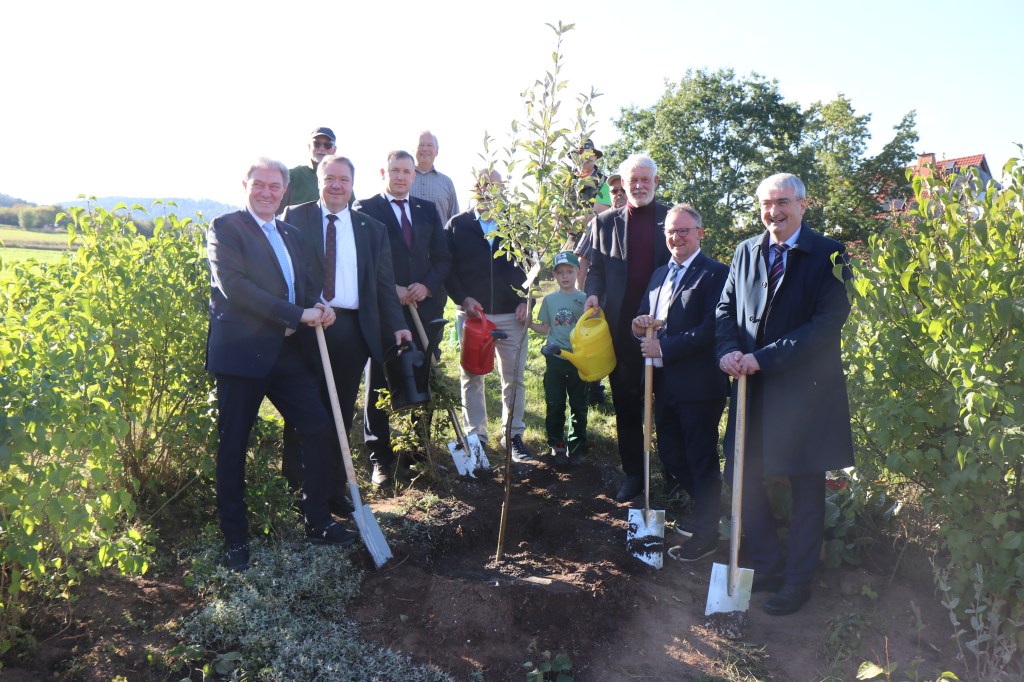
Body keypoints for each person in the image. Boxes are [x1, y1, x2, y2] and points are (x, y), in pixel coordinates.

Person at [205, 157, 356, 572]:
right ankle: (236, 539)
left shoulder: (290, 233)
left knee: (316, 425)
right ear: (245, 184)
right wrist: (296, 315)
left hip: (287, 353)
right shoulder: (226, 228)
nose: (267, 192)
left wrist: (319, 307)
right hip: (241, 354)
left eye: (275, 186)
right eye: (260, 184)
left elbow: (304, 285)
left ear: (285, 190)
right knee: (234, 445)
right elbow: (235, 288)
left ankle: (317, 518)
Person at [716, 172, 854, 616]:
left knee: (805, 485)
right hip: (750, 390)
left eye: (782, 203)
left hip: (804, 395)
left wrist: (765, 358)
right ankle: (770, 568)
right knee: (742, 475)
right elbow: (725, 307)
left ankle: (799, 581)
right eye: (765, 204)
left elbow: (826, 325)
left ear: (802, 205)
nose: (773, 212)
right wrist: (728, 350)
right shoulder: (746, 251)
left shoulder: (830, 254)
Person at [280, 155, 412, 497]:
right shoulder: (295, 218)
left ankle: (336, 487)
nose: (336, 185)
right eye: (329, 178)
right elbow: (288, 271)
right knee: (302, 410)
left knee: (341, 412)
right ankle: (296, 487)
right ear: (319, 181)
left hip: (352, 331)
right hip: (307, 327)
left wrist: (397, 324)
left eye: (344, 180)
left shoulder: (371, 229)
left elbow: (384, 283)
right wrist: (309, 304)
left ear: (353, 185)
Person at [631, 204, 729, 561]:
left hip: (700, 385)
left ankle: (707, 535)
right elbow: (643, 320)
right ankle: (711, 513)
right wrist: (638, 327)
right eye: (671, 231)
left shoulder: (715, 274)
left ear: (700, 233)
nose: (676, 237)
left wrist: (665, 346)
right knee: (672, 456)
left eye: (684, 230)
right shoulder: (660, 274)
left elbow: (711, 329)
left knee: (700, 459)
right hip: (664, 382)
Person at [353, 150, 451, 484]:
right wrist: (390, 288)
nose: (400, 177)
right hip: (383, 309)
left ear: (414, 175)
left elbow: (441, 257)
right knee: (380, 381)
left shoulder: (426, 209)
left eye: (406, 171)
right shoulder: (365, 209)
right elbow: (361, 260)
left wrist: (426, 285)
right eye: (394, 170)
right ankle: (380, 458)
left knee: (423, 377)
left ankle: (417, 452)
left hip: (422, 309)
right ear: (383, 172)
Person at [584, 154, 671, 502]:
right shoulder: (604, 223)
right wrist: (592, 294)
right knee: (625, 401)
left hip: (665, 327)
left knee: (666, 401)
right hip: (621, 328)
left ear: (655, 182)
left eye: (645, 180)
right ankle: (634, 472)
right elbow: (596, 270)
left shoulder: (672, 219)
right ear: (620, 184)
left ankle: (672, 474)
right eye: (632, 180)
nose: (638, 186)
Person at [445, 170, 534, 462]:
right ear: (472, 189)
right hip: (473, 316)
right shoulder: (458, 225)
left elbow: (531, 266)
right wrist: (462, 298)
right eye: (482, 186)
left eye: (494, 187)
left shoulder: (516, 224)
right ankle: (476, 436)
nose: (487, 192)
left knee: (514, 378)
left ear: (502, 190)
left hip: (511, 314)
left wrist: (526, 300)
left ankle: (513, 435)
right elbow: (447, 268)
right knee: (472, 374)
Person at [529, 251, 588, 469]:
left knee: (579, 404)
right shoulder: (550, 300)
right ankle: (557, 443)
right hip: (555, 357)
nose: (565, 276)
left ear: (577, 272)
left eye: (569, 271)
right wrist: (528, 323)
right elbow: (545, 329)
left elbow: (591, 328)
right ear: (554, 275)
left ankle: (577, 446)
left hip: (578, 358)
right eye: (560, 272)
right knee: (555, 403)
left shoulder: (584, 299)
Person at [278, 127, 338, 213]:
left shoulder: (342, 179)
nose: (321, 148)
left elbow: (352, 212)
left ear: (334, 149)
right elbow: (274, 210)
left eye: (327, 145)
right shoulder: (291, 176)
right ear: (309, 147)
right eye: (316, 144)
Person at [410, 130, 459, 223]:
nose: (424, 149)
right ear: (413, 150)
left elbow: (455, 219)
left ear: (437, 151)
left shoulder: (447, 182)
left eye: (429, 145)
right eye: (420, 145)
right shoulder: (403, 181)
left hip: (440, 237)